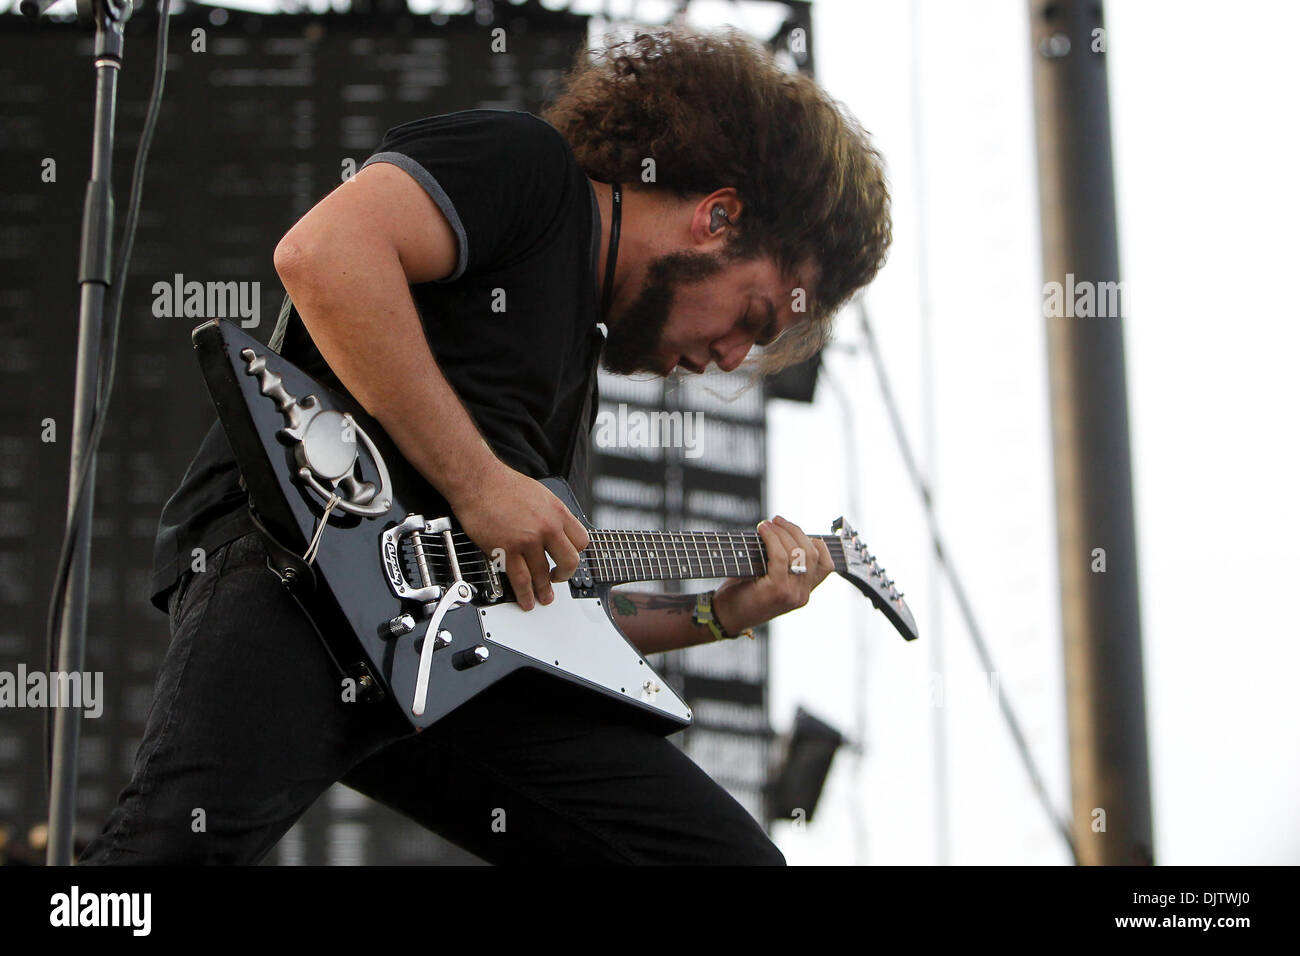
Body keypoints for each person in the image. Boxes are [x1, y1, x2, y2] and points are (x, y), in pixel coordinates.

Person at [79, 28, 891, 865]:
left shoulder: (574, 381)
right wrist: (478, 484)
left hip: (433, 657)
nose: (729, 357)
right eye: (752, 317)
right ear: (716, 217)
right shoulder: (530, 171)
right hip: (301, 573)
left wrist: (718, 614)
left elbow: (541, 617)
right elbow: (325, 253)